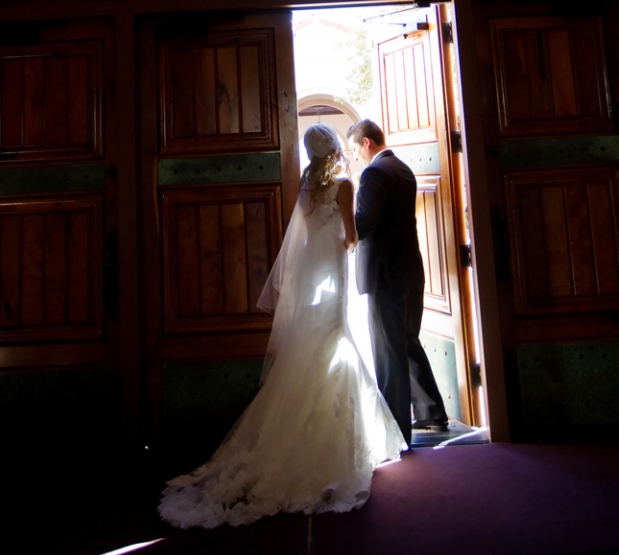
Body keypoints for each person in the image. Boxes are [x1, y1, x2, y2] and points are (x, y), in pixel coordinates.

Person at [158, 123, 405, 529]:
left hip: (312, 283)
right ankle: (332, 451)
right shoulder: (343, 185)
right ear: (333, 150)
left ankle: (303, 442)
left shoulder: (307, 191)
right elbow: (351, 237)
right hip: (335, 280)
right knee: (335, 344)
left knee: (317, 351)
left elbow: (302, 242)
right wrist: (354, 243)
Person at [347, 118, 449, 445]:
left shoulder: (374, 173)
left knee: (388, 352)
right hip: (409, 270)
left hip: (384, 274)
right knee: (407, 342)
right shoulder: (402, 168)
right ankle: (432, 412)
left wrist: (336, 221)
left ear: (366, 143)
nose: (356, 157)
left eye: (355, 149)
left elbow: (365, 223)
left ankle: (395, 428)